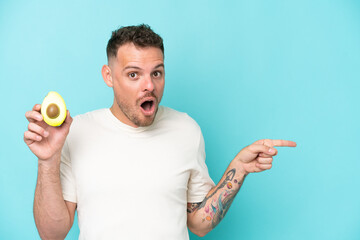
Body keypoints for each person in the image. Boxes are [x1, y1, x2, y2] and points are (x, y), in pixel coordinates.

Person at [24, 24, 297, 239]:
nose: (149, 86)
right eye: (134, 74)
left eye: (157, 73)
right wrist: (47, 160)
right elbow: (52, 235)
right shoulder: (79, 131)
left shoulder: (186, 129)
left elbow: (199, 225)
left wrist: (237, 170)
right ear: (108, 76)